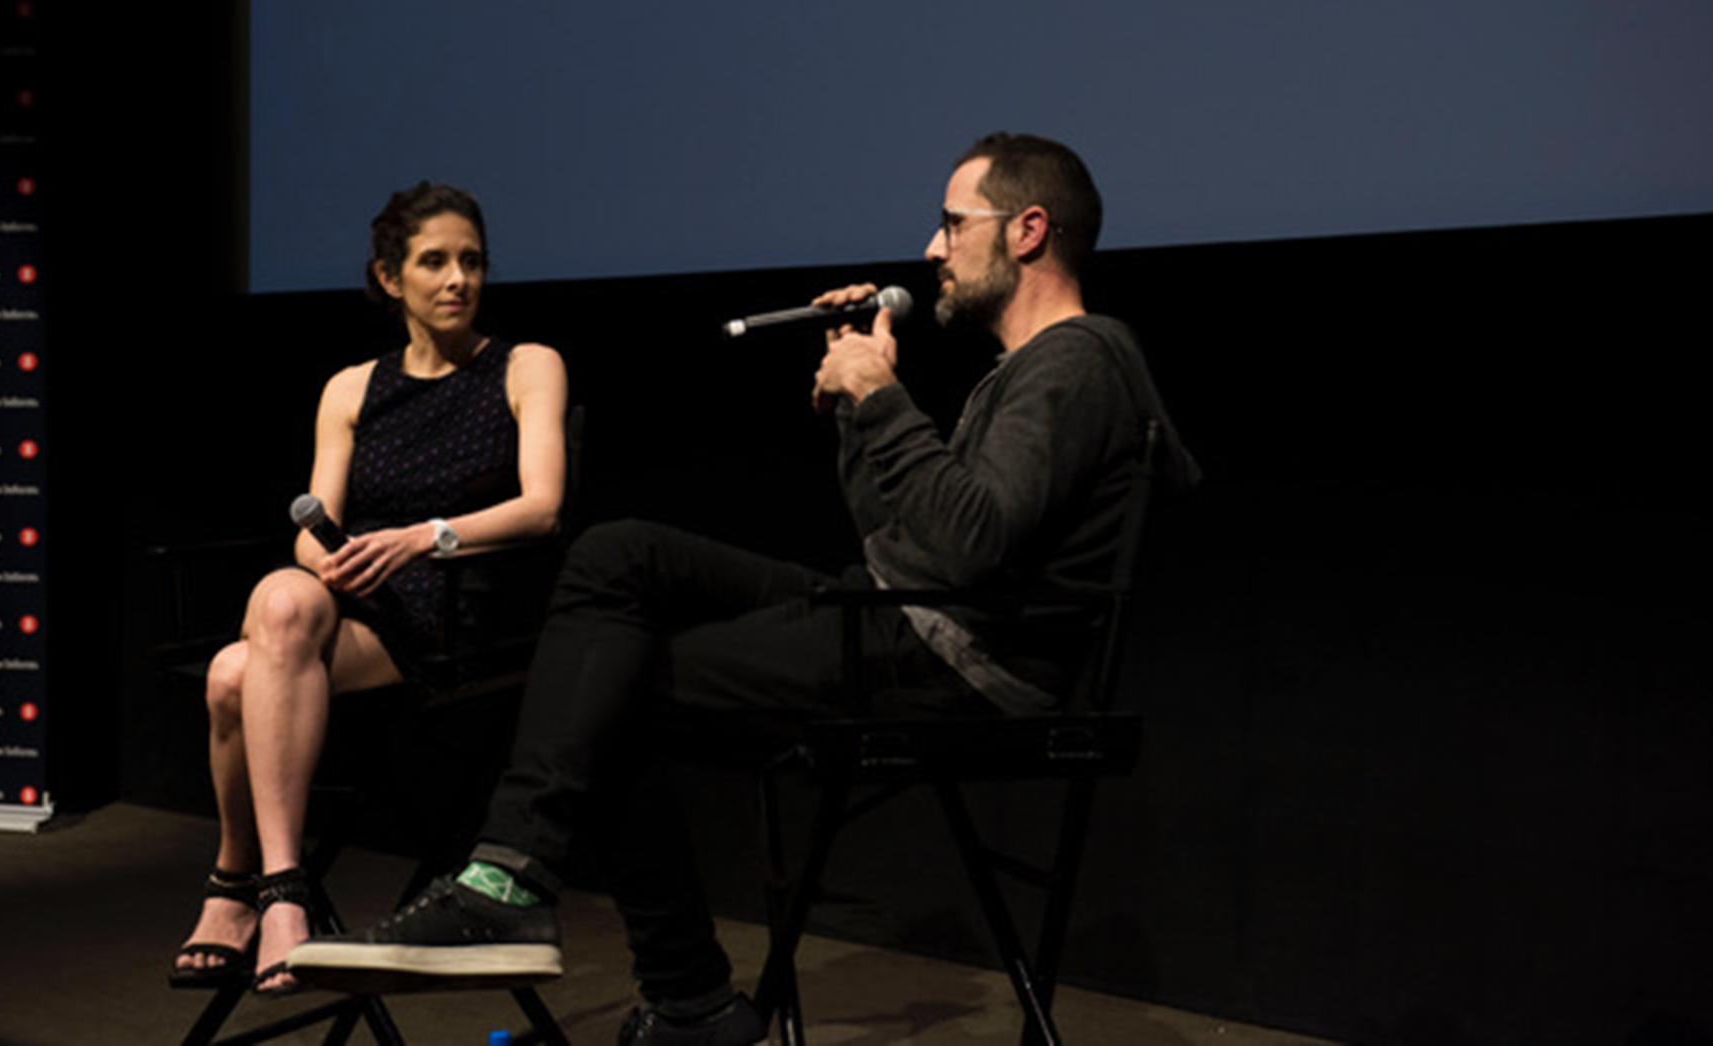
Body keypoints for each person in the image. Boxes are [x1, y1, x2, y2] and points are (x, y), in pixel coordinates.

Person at [289, 134, 1196, 1042]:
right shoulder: (1036, 371)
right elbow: (902, 536)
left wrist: (883, 398)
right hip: (897, 611)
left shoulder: (1076, 360)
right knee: (620, 555)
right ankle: (530, 893)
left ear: (1028, 230)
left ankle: (638, 970)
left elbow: (970, 546)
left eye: (954, 224)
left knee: (605, 692)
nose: (932, 249)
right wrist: (854, 399)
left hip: (955, 657)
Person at [169, 182, 569, 996]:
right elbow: (311, 525)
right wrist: (333, 560)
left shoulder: (527, 366)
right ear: (390, 279)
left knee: (230, 676)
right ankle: (283, 891)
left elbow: (542, 508)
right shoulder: (351, 388)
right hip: (356, 604)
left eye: (472, 261)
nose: (459, 279)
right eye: (435, 262)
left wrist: (423, 537)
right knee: (281, 599)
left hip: (453, 614)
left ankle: (240, 885)